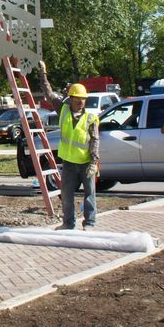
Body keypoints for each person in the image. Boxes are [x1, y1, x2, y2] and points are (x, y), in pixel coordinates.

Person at [39, 61, 100, 230]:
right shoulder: (63, 109)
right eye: (78, 99)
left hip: (86, 161)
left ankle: (90, 222)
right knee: (66, 194)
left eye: (83, 99)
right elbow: (49, 93)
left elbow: (95, 140)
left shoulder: (91, 118)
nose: (81, 102)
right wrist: (43, 73)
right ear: (71, 99)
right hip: (69, 162)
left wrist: (94, 162)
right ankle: (68, 223)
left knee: (90, 194)